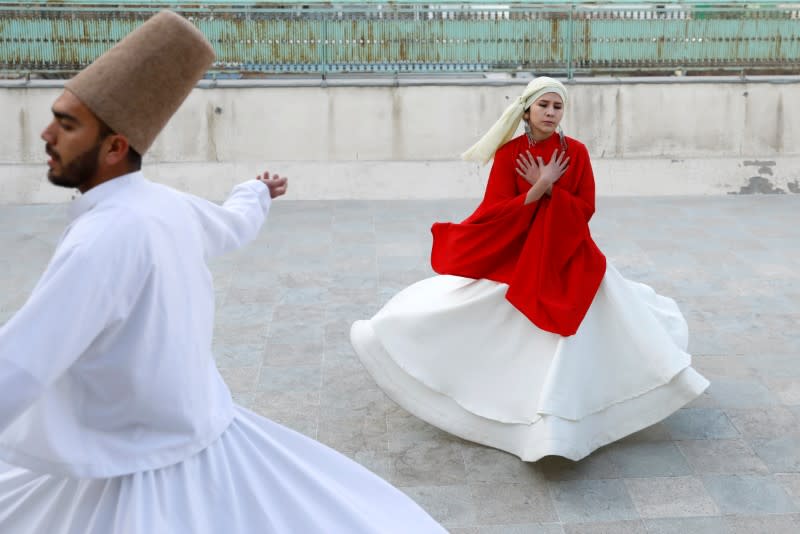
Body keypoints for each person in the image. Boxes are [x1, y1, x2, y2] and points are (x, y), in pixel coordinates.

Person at [0, 11, 444, 533]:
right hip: (184, 434)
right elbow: (232, 225)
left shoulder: (103, 238)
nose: (46, 135)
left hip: (135, 456)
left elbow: (22, 366)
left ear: (116, 146)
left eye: (67, 124)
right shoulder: (162, 205)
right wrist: (255, 191)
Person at [350, 77, 709, 462]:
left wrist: (554, 190)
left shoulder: (578, 153)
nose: (551, 113)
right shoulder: (509, 154)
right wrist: (536, 190)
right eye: (544, 106)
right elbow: (492, 211)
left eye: (558, 107)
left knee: (590, 306)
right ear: (527, 110)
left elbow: (585, 209)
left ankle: (568, 415)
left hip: (567, 249)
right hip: (518, 248)